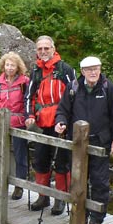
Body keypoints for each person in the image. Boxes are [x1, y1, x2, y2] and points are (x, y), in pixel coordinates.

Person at [55, 56, 113, 224]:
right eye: (89, 69)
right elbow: (63, 110)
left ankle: (96, 219)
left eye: (96, 68)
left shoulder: (108, 88)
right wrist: (61, 122)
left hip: (100, 141)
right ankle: (81, 213)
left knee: (99, 181)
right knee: (78, 180)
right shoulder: (73, 88)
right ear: (83, 72)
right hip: (77, 143)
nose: (94, 72)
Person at [25, 35, 76, 214]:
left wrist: (68, 120)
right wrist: (29, 115)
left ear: (53, 49)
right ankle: (43, 196)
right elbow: (29, 96)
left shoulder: (65, 69)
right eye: (40, 49)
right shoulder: (36, 72)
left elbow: (74, 95)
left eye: (46, 48)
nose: (43, 52)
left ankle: (60, 198)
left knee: (62, 161)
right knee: (41, 159)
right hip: (41, 123)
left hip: (61, 123)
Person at [0, 52, 30, 200]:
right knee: (0, 155)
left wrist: (28, 118)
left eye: (13, 65)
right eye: (7, 65)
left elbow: (29, 102)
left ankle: (19, 187)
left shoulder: (25, 82)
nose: (10, 68)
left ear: (18, 66)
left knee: (20, 156)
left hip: (18, 124)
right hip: (2, 124)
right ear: (3, 66)